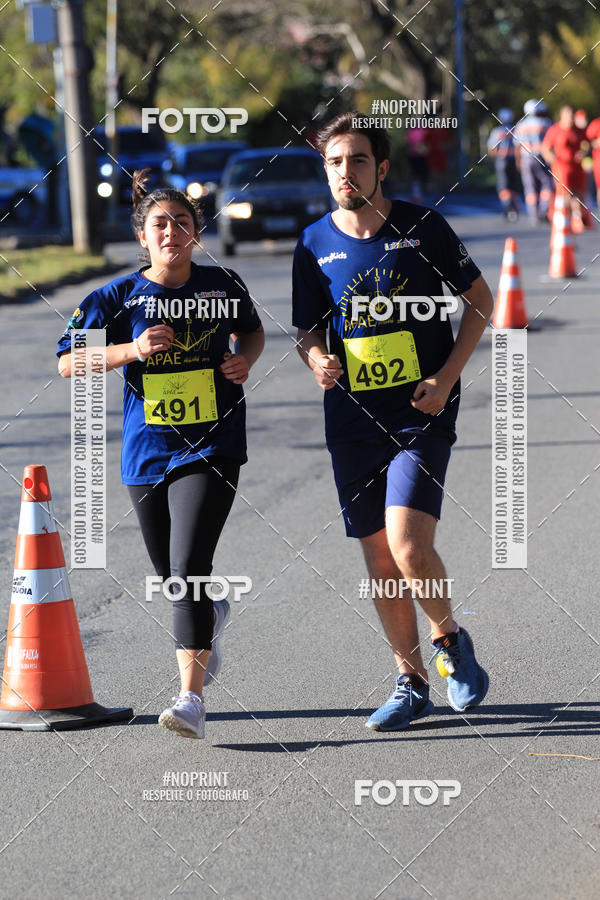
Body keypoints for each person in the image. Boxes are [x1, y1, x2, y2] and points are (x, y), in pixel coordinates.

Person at [292, 112, 494, 732]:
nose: (345, 172)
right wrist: (317, 359)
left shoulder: (422, 228)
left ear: (381, 168)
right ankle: (410, 682)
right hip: (351, 418)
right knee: (379, 559)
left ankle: (448, 643)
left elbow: (480, 302)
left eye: (357, 160)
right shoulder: (313, 242)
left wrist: (448, 377)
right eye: (334, 162)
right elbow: (308, 330)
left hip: (418, 413)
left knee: (408, 545)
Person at [56, 170, 265, 739]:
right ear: (143, 236)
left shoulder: (222, 286)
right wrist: (129, 349)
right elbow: (68, 363)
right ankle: (212, 615)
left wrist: (244, 360)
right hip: (148, 452)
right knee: (176, 583)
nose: (172, 231)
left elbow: (253, 332)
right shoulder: (115, 298)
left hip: (214, 444)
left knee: (187, 571)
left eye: (183, 223)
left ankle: (191, 699)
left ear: (197, 233)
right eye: (160, 224)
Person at [542, 105, 587, 232]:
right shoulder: (554, 130)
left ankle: (577, 216)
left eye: (572, 115)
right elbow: (545, 147)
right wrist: (550, 157)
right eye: (568, 115)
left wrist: (583, 152)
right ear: (562, 116)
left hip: (577, 166)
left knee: (580, 193)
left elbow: (586, 144)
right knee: (566, 193)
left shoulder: (577, 130)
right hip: (562, 166)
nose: (571, 118)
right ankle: (567, 218)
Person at [513, 99, 554, 225]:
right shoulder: (545, 123)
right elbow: (552, 142)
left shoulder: (520, 125)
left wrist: (518, 161)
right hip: (541, 157)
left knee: (529, 187)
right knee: (547, 183)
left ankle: (533, 215)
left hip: (526, 158)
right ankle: (543, 210)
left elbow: (517, 146)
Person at [487, 108, 520, 221]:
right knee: (513, 185)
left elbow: (491, 149)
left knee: (503, 186)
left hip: (502, 161)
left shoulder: (497, 131)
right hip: (514, 160)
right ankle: (513, 206)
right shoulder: (516, 130)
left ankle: (508, 207)